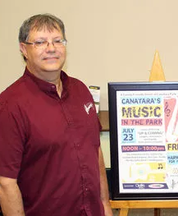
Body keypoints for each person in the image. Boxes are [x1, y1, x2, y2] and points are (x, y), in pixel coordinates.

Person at [0, 14, 113, 216]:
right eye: (40, 42)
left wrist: (105, 206)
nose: (51, 48)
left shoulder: (81, 91)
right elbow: (6, 183)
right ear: (24, 49)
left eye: (57, 41)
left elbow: (95, 151)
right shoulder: (10, 105)